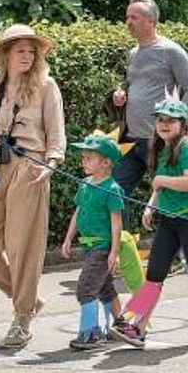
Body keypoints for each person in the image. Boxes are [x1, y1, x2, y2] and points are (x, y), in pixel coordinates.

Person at [0, 24, 66, 348]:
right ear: (6, 54)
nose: (27, 56)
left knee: (23, 247)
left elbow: (56, 136)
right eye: (20, 50)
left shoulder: (46, 86)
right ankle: (28, 301)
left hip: (30, 167)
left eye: (31, 51)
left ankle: (22, 319)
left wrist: (49, 166)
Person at [109, 90, 188, 348]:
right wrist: (151, 205)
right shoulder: (161, 148)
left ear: (183, 125)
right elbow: (159, 188)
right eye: (160, 119)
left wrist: (161, 182)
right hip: (169, 221)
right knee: (154, 273)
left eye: (170, 120)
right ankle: (136, 326)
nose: (164, 124)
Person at [111, 0, 188, 211]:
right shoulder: (133, 53)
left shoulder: (171, 51)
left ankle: (185, 239)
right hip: (131, 140)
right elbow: (133, 85)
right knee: (114, 192)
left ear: (151, 21)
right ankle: (120, 242)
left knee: (171, 197)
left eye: (134, 17)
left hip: (158, 142)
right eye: (127, 17)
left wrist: (177, 128)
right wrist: (121, 95)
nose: (128, 22)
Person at [61, 130, 132, 350]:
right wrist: (68, 238)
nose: (83, 161)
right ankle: (120, 325)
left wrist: (113, 252)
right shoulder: (84, 183)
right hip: (89, 246)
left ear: (105, 162)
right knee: (104, 289)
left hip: (102, 247)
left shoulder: (112, 189)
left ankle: (90, 333)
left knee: (86, 288)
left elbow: (116, 223)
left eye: (88, 157)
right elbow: (78, 211)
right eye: (83, 157)